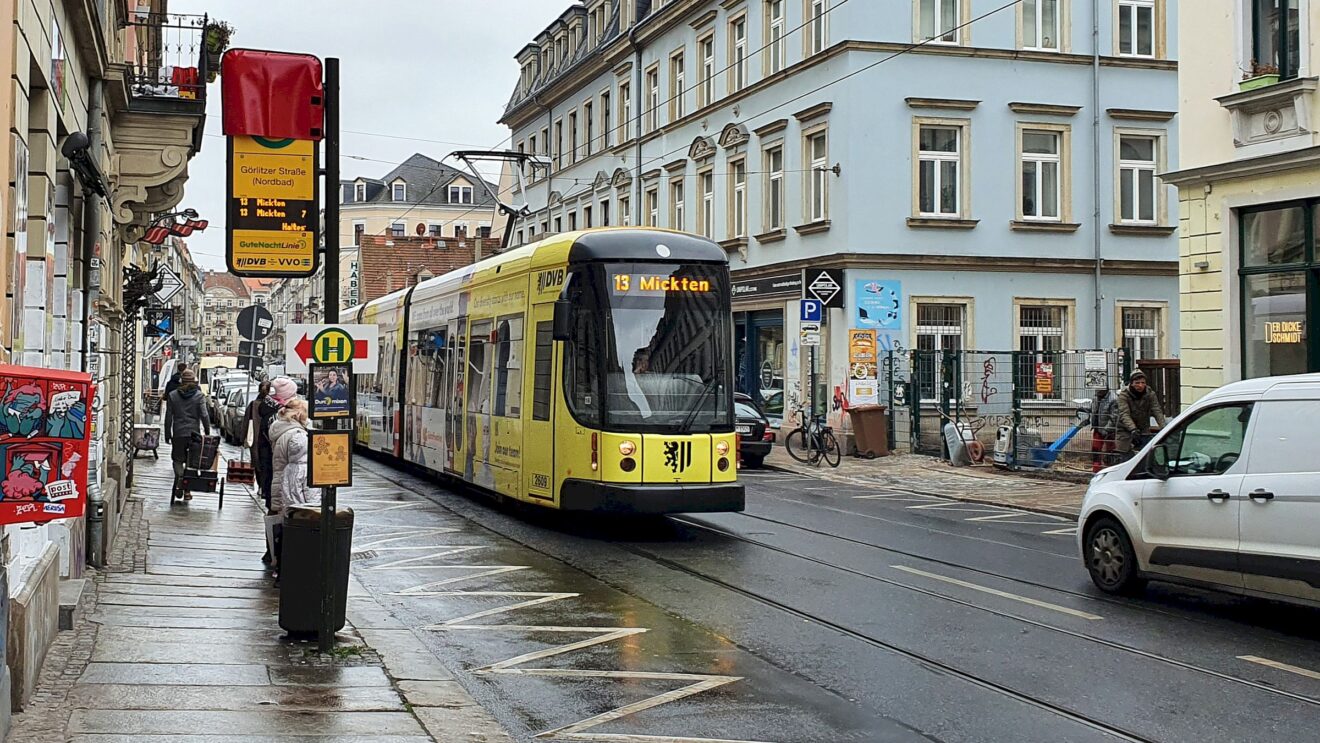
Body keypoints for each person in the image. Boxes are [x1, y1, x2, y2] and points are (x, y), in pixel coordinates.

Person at [268, 397, 320, 583]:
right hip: (294, 487)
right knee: (296, 529)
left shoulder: (281, 429)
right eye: (306, 412)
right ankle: (290, 572)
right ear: (299, 413)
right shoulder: (297, 436)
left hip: (283, 484)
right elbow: (303, 469)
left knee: (286, 528)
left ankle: (281, 571)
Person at [164, 368, 211, 501]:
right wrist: (207, 431)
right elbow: (204, 415)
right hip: (194, 434)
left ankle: (180, 479)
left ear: (181, 381)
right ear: (194, 381)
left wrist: (168, 433)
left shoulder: (173, 395)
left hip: (178, 433)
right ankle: (187, 491)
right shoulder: (199, 396)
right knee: (191, 463)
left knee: (177, 460)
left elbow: (168, 417)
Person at [1117, 370, 1166, 457]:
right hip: (1126, 431)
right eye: (1137, 383)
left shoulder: (1150, 394)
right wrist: (1133, 429)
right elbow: (1124, 414)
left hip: (1143, 429)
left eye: (1143, 383)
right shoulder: (1124, 395)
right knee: (1125, 457)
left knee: (1146, 457)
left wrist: (1164, 428)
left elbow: (1156, 410)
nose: (1140, 385)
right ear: (1131, 383)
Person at [1090, 386, 1119, 472]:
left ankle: (1111, 470)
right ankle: (1096, 470)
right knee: (1095, 449)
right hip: (1097, 428)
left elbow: (1114, 417)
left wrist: (1107, 429)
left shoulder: (1113, 399)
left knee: (1110, 451)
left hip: (1109, 430)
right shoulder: (1096, 397)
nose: (1097, 390)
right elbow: (1094, 410)